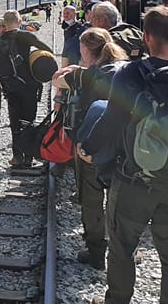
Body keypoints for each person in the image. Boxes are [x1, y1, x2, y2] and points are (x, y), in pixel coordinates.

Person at [82, 6, 168, 304]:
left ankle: (117, 300)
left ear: (146, 37)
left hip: (134, 181)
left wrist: (88, 148)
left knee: (122, 248)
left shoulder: (132, 73)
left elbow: (112, 120)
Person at [51, 28, 128, 270]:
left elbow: (55, 79)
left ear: (85, 49)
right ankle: (126, 251)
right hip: (125, 147)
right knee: (123, 200)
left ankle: (96, 252)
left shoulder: (88, 75)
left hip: (92, 145)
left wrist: (72, 69)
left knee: (92, 199)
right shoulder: (127, 71)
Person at [0, 9, 53, 167]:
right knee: (28, 121)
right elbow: (48, 50)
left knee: (15, 123)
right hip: (28, 87)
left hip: (10, 88)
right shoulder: (25, 36)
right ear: (19, 22)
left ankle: (16, 157)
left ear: (4, 24)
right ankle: (29, 157)